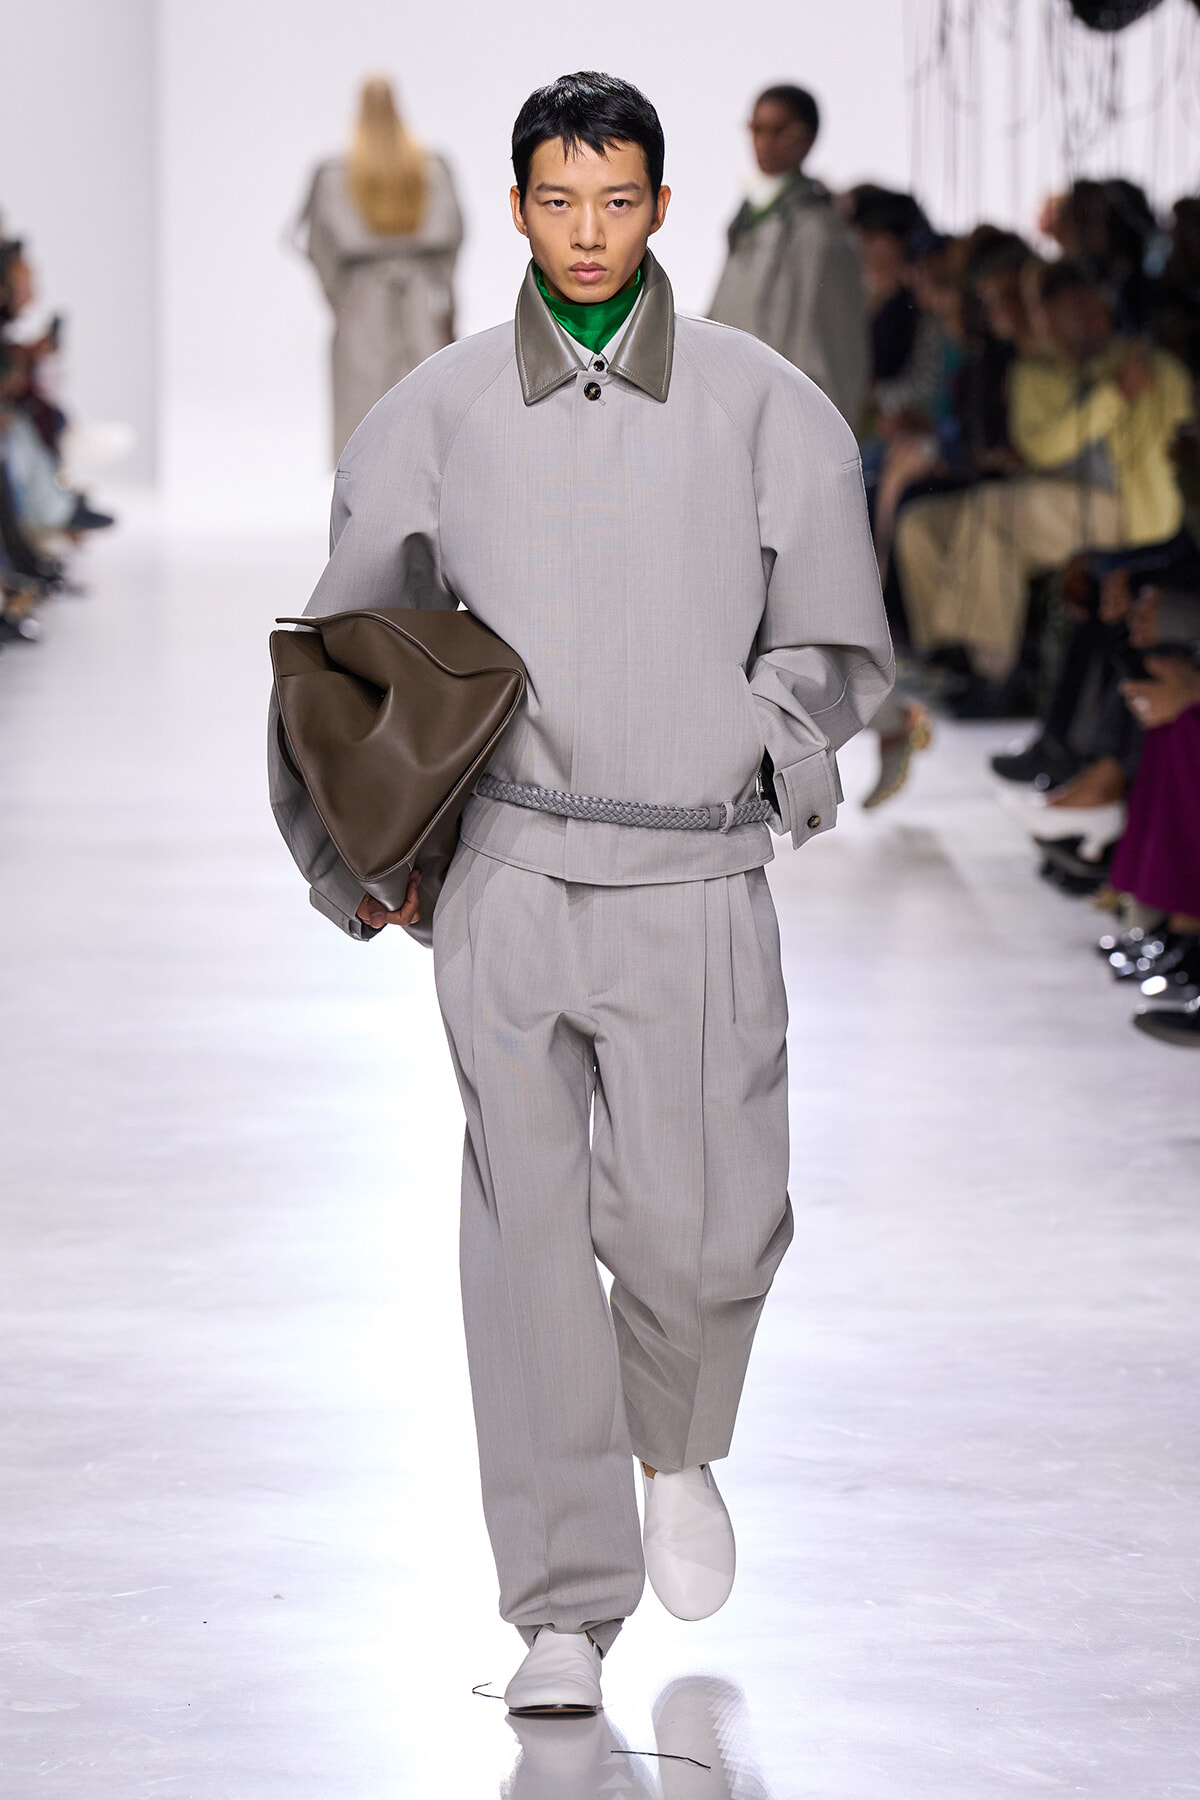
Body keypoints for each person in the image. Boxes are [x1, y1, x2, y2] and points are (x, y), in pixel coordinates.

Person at [269, 71, 892, 1714]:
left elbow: (834, 638)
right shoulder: (436, 413)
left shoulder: (770, 409)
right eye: (560, 201)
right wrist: (363, 857)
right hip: (515, 871)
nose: (589, 232)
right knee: (526, 1239)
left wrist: (761, 742)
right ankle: (559, 1604)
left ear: (660, 207)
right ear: (524, 211)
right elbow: (339, 650)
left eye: (618, 200)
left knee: (704, 1236)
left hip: (693, 870)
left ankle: (679, 1447)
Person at [894, 261, 1194, 703]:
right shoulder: (1037, 370)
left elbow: (1180, 448)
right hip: (1054, 498)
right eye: (1065, 312)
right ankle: (945, 651)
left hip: (1126, 512)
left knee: (994, 511)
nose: (1082, 321)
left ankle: (994, 674)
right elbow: (1042, 447)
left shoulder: (1146, 365)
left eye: (1088, 308)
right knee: (920, 521)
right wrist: (1111, 398)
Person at [296, 76, 463, 462]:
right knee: (424, 389)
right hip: (419, 295)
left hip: (363, 298)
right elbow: (452, 237)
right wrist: (444, 291)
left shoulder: (335, 175)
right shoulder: (432, 169)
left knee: (364, 401)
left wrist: (340, 297)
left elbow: (321, 247)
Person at [708, 84, 867, 426]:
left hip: (791, 419)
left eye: (781, 131)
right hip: (737, 410)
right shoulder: (746, 223)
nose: (765, 142)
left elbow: (835, 348)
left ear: (807, 139)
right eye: (757, 129)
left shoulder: (821, 232)